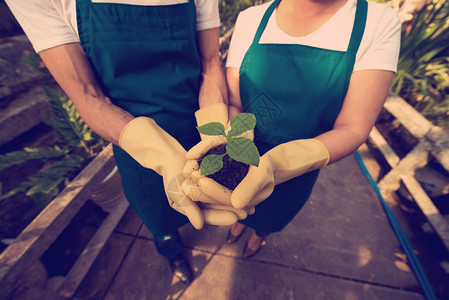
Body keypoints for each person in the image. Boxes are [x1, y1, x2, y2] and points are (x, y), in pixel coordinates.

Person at [5, 0, 242, 285]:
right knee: (156, 214)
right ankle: (172, 252)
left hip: (196, 127)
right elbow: (87, 95)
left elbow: (209, 66)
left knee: (205, 200)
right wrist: (157, 151)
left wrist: (215, 135)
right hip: (134, 144)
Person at [184, 0, 401, 259]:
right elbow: (235, 102)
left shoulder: (376, 22)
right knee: (239, 204)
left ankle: (259, 236)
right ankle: (240, 223)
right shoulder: (251, 18)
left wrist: (280, 163)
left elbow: (353, 128)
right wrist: (234, 138)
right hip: (243, 154)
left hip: (300, 163)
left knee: (274, 214)